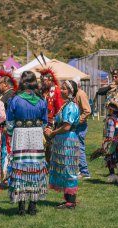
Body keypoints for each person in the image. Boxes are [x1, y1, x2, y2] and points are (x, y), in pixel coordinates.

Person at [7, 71, 48, 216]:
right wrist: (38, 130)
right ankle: (33, 206)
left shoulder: (16, 100)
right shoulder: (41, 100)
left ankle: (21, 207)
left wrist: (11, 134)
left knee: (21, 168)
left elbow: (10, 121)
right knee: (36, 167)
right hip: (36, 134)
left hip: (21, 135)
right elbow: (45, 122)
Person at [45, 80, 80, 209]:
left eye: (64, 89)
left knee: (68, 169)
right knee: (64, 168)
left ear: (70, 92)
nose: (61, 91)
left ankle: (71, 202)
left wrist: (53, 133)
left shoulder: (71, 106)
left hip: (67, 140)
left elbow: (66, 126)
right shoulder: (66, 105)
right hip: (63, 140)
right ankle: (68, 200)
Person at [38, 68, 64, 163]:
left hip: (52, 123)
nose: (42, 83)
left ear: (50, 79)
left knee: (51, 146)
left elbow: (60, 108)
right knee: (43, 146)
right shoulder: (41, 91)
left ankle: (52, 164)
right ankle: (46, 165)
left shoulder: (56, 90)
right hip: (41, 122)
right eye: (41, 81)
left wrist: (55, 125)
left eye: (43, 81)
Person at [0, 71, 18, 179]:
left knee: (7, 151)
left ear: (5, 84)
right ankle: (4, 174)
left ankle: (7, 175)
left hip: (7, 128)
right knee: (3, 151)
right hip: (3, 128)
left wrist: (6, 125)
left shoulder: (11, 94)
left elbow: (10, 112)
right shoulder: (4, 95)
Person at [103, 98, 118, 183]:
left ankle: (112, 175)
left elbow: (110, 133)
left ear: (111, 110)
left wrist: (107, 143)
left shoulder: (111, 120)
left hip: (113, 143)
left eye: (109, 109)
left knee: (110, 158)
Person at [73, 78, 92, 179]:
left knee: (79, 147)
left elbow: (87, 110)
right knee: (75, 147)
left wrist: (78, 121)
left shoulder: (81, 94)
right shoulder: (75, 94)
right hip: (76, 125)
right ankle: (79, 170)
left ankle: (84, 171)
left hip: (80, 125)